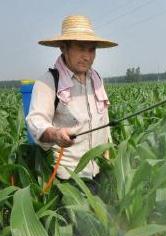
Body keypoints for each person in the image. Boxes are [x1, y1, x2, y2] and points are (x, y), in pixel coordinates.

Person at [26, 15, 118, 186]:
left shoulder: (96, 79)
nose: (87, 56)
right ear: (63, 48)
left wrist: (108, 152)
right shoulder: (49, 82)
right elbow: (35, 121)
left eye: (91, 50)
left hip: (100, 170)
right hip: (70, 178)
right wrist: (55, 134)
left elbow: (103, 119)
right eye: (81, 48)